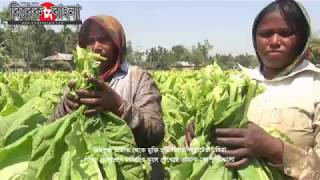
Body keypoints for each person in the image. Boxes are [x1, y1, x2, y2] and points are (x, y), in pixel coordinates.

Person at [185, 0, 320, 179]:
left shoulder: (315, 85)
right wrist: (199, 129)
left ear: (302, 39)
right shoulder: (234, 84)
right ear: (255, 40)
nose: (274, 41)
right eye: (265, 34)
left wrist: (271, 148)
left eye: (286, 33)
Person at [51, 15, 164, 149]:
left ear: (117, 44)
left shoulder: (138, 78)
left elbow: (155, 133)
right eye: (90, 41)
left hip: (128, 164)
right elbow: (52, 130)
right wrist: (64, 109)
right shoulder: (77, 81)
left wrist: (118, 106)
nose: (96, 47)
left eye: (103, 40)